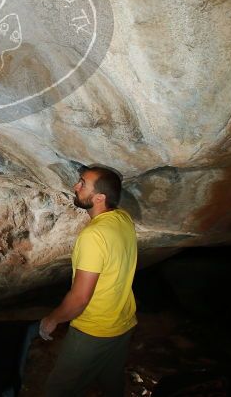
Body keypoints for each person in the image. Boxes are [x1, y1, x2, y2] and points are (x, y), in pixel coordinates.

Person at [39, 165, 137, 397]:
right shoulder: (123, 218)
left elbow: (80, 298)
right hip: (123, 323)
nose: (76, 187)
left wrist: (52, 320)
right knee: (111, 381)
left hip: (94, 329)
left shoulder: (92, 236)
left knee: (57, 390)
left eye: (82, 184)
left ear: (99, 198)